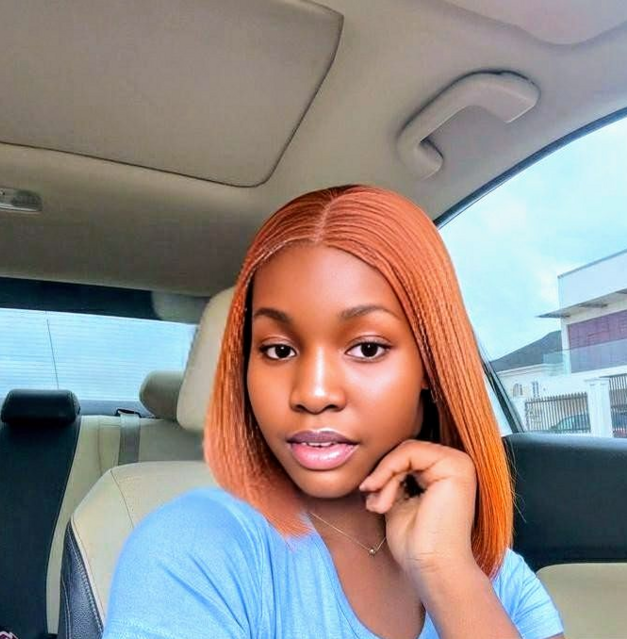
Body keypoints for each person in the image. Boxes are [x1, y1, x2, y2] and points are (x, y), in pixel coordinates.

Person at [102, 185, 565, 639]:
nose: (313, 392)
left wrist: (446, 572)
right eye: (279, 350)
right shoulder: (195, 549)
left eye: (367, 348)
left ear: (430, 363)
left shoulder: (492, 572)